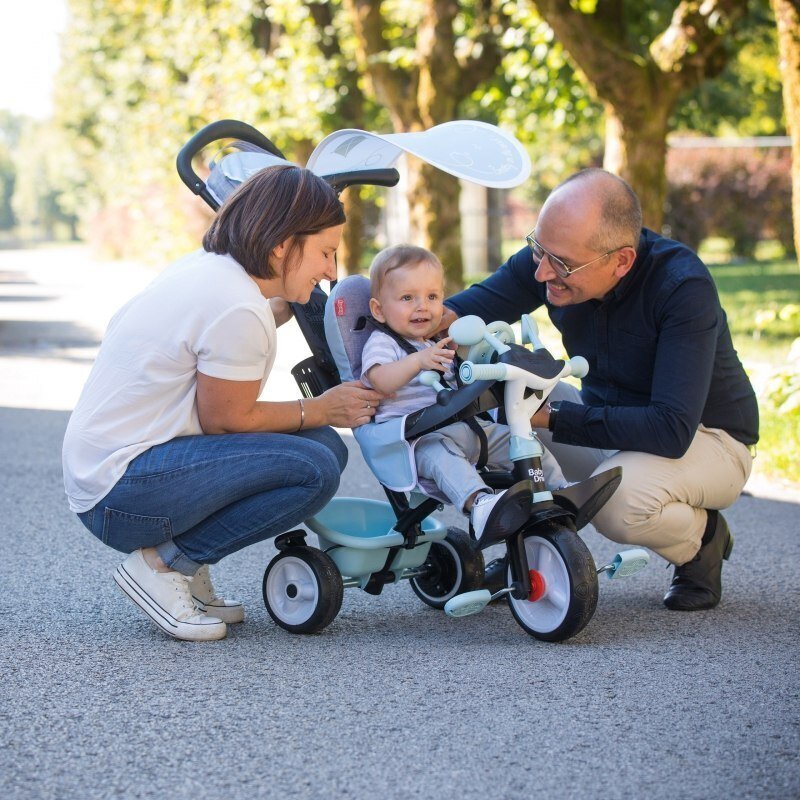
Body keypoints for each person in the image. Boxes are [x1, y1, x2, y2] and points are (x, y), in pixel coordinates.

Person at [62, 165, 384, 641]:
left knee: (325, 450)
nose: (332, 271)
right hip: (120, 493)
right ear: (281, 245)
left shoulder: (213, 272)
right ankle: (164, 565)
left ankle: (183, 562)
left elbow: (226, 336)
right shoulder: (236, 305)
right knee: (314, 467)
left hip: (114, 471)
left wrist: (288, 308)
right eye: (325, 252)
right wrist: (324, 408)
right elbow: (228, 420)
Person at [441, 168, 759, 611]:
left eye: (563, 264)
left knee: (617, 501)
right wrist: (401, 326)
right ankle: (529, 552)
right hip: (612, 430)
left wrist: (550, 419)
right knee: (503, 406)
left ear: (621, 261)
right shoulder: (553, 255)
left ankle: (701, 541)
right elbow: (461, 311)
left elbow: (670, 429)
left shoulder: (682, 287)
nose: (542, 272)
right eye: (538, 249)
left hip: (709, 441)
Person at [359, 244, 566, 540]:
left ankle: (560, 490)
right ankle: (479, 504)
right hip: (418, 441)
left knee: (518, 440)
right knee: (444, 459)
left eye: (432, 297)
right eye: (407, 298)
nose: (422, 306)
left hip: (467, 428)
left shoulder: (434, 343)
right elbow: (379, 380)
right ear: (379, 310)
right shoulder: (383, 343)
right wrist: (416, 361)